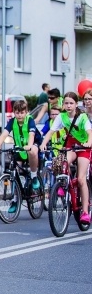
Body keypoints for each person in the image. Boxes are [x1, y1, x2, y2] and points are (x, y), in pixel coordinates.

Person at [40, 92, 92, 225]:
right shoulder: (61, 117)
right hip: (71, 146)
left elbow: (89, 133)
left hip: (84, 147)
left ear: (76, 104)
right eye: (66, 103)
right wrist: (43, 144)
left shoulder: (82, 117)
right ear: (63, 104)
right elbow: (50, 132)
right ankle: (63, 184)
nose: (68, 106)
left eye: (71, 103)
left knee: (81, 179)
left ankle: (85, 212)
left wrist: (89, 143)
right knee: (60, 162)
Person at [0, 99, 43, 213]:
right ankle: (15, 200)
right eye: (17, 112)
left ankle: (34, 176)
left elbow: (31, 134)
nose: (19, 115)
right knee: (14, 172)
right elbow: (4, 133)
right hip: (20, 147)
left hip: (33, 144)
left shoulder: (30, 121)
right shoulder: (12, 121)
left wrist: (29, 145)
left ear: (26, 112)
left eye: (22, 112)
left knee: (32, 151)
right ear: (14, 112)